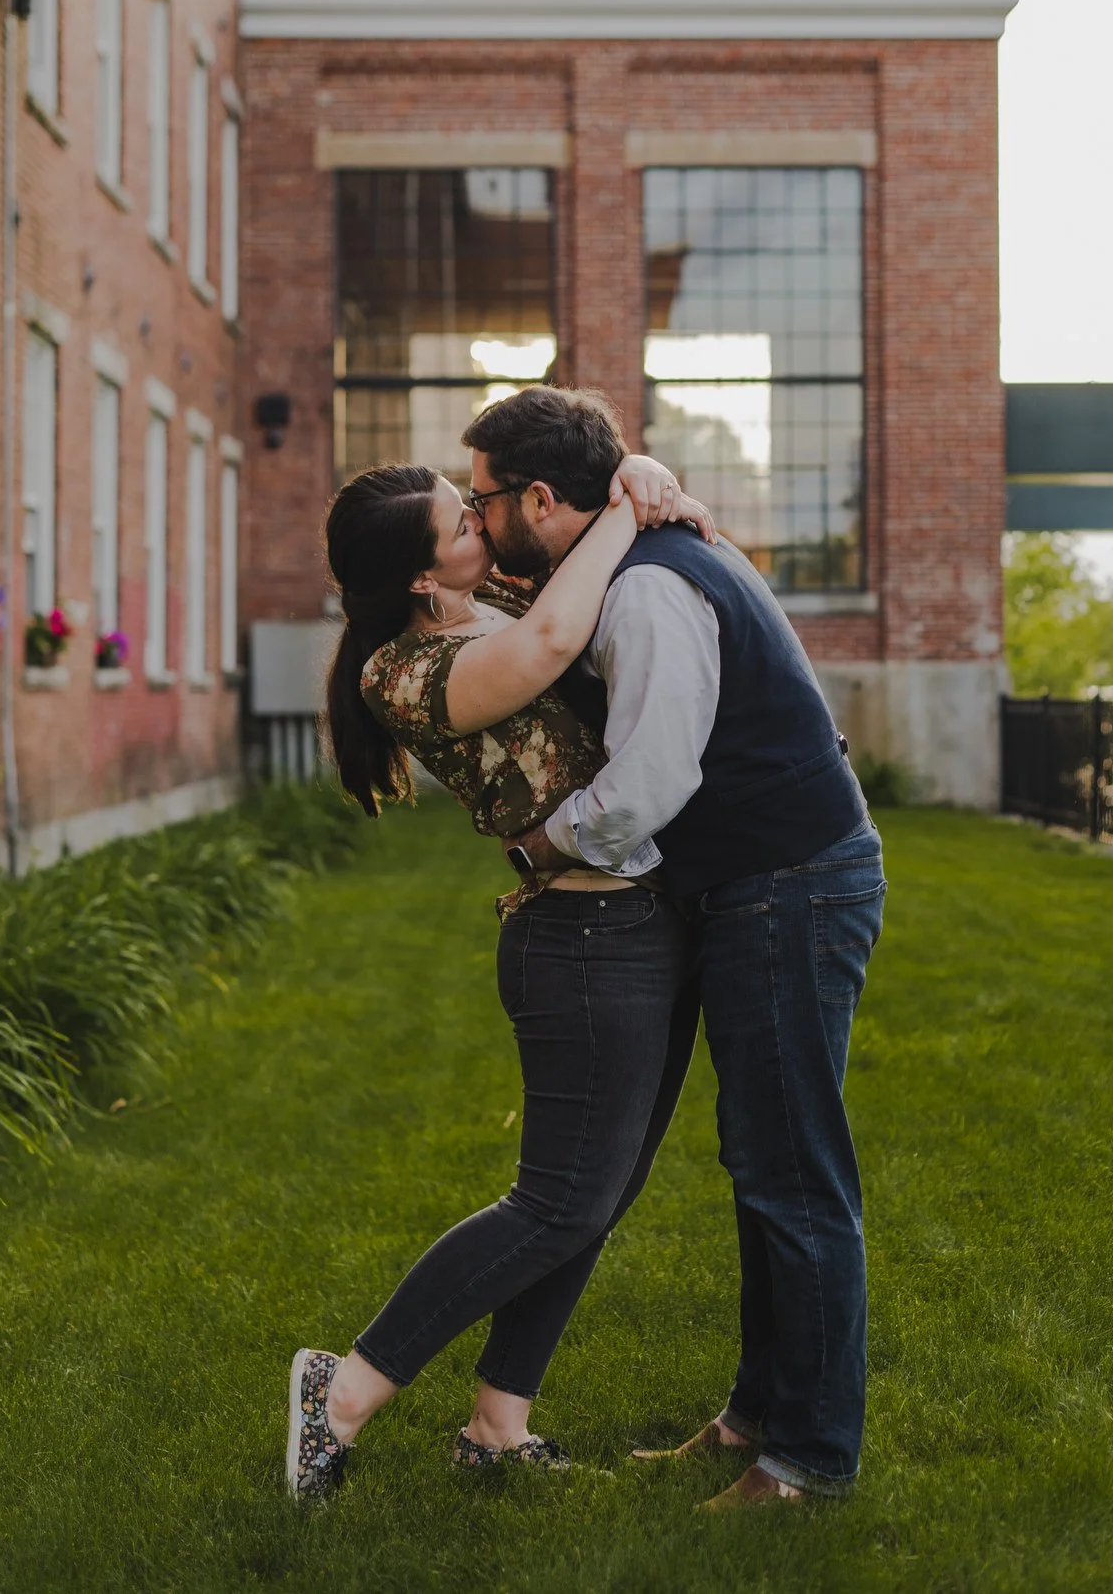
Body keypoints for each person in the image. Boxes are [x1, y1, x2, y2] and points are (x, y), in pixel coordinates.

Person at [465, 385, 887, 1512]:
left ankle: (808, 1463)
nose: (476, 518)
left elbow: (649, 785)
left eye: (483, 498)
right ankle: (757, 1416)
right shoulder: (622, 554)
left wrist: (543, 843)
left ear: (539, 499)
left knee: (792, 1169)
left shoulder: (648, 587)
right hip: (756, 881)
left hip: (791, 882)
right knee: (762, 1162)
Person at [287, 442, 715, 1499]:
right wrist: (627, 500)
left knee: (597, 1197)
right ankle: (341, 1392)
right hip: (580, 941)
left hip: (645, 921)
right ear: (419, 575)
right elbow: (556, 641)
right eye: (459, 523)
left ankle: (496, 1423)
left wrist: (637, 466)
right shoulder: (405, 674)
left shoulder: (501, 592)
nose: (481, 522)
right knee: (557, 1202)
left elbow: (599, 593)